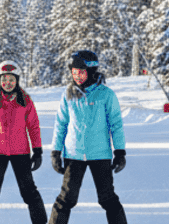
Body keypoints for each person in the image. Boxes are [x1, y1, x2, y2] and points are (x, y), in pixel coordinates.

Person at [48, 50, 127, 224]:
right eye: (74, 72)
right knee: (66, 199)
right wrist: (56, 152)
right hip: (74, 154)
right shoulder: (68, 95)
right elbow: (60, 124)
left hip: (100, 154)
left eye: (81, 72)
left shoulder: (106, 94)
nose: (77, 76)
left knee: (108, 198)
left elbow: (116, 125)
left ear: (91, 71)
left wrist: (120, 151)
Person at [0, 61, 48, 224]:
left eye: (11, 80)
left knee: (29, 191)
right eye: (4, 79)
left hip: (21, 152)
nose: (8, 83)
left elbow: (33, 126)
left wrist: (37, 151)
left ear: (17, 81)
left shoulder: (25, 101)